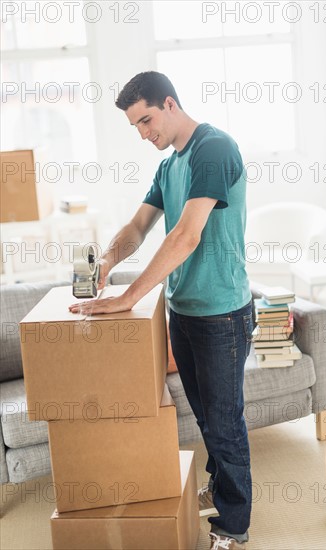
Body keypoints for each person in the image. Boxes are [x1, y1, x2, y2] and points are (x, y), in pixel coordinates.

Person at [69, 71, 253, 550]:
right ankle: (220, 488)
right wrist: (108, 261)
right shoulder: (170, 166)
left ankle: (233, 528)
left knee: (226, 421)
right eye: (135, 126)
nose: (143, 132)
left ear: (170, 104)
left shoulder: (213, 149)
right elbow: (138, 224)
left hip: (221, 314)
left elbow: (186, 235)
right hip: (185, 311)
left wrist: (129, 297)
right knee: (208, 418)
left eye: (146, 119)